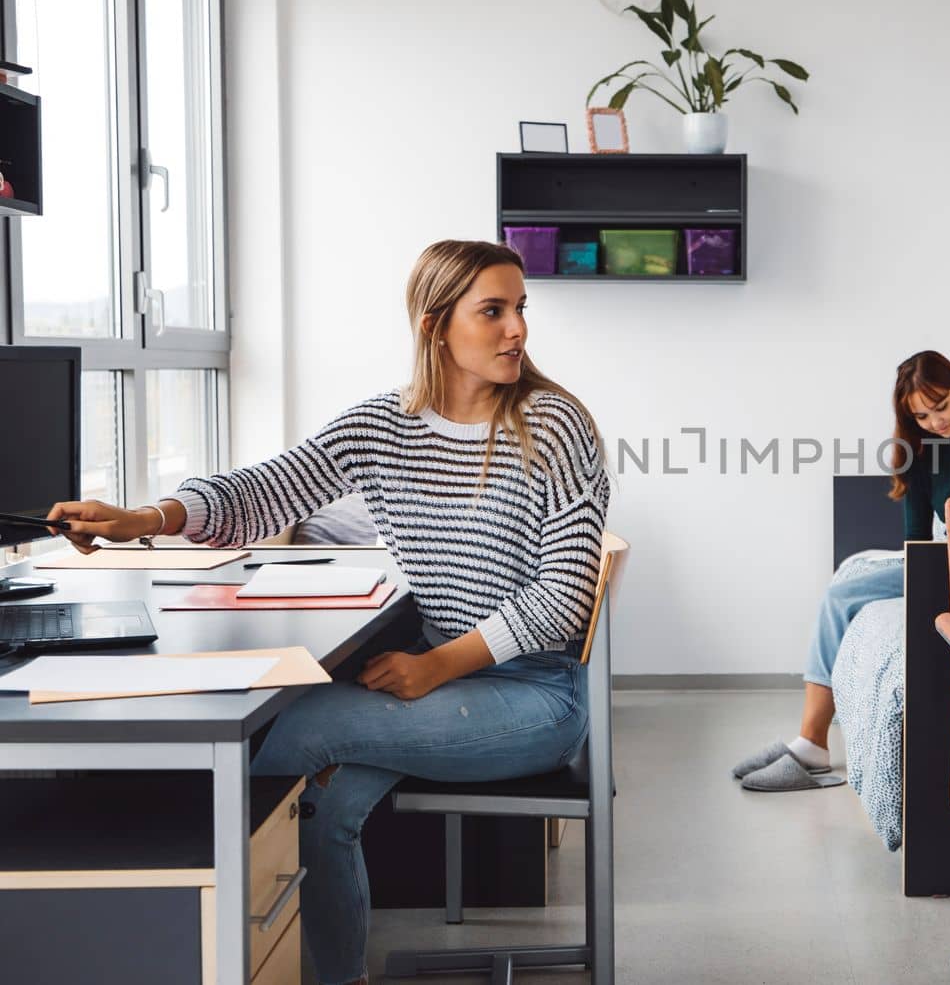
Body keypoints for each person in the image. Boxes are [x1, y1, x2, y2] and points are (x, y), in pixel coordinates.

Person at [48, 240, 609, 985]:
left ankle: (206, 943)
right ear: (436, 325)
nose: (517, 330)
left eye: (519, 310)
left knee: (301, 727)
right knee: (321, 809)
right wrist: (145, 516)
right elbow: (262, 492)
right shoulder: (382, 427)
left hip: (533, 695)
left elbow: (563, 595)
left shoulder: (554, 425)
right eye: (494, 311)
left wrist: (436, 664)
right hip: (442, 683)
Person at [732, 349, 950, 791]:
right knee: (844, 590)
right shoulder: (919, 450)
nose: (934, 421)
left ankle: (811, 746)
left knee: (842, 597)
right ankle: (809, 741)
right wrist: (921, 573)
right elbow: (915, 539)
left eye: (941, 406)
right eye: (922, 416)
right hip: (944, 560)